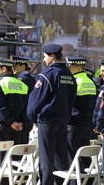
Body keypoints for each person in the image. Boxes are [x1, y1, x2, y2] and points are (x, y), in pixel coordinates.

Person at [27, 44, 77, 185]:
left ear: (52, 56)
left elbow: (35, 100)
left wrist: (33, 117)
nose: (43, 60)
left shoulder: (48, 75)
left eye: (44, 56)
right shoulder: (69, 75)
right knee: (61, 160)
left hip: (47, 122)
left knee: (46, 161)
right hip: (62, 122)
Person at [0, 58, 28, 166]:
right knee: (16, 159)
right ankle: (16, 182)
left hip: (3, 126)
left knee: (3, 161)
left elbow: (1, 107)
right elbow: (25, 107)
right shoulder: (22, 84)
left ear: (3, 69)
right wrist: (21, 122)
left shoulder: (0, 84)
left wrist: (11, 122)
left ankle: (4, 183)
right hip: (18, 126)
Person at [66, 56, 97, 168]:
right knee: (84, 156)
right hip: (86, 125)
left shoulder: (73, 82)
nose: (68, 68)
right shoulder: (91, 82)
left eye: (71, 66)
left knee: (73, 158)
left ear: (78, 67)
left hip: (73, 125)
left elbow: (67, 104)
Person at [11, 55, 36, 144]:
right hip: (27, 115)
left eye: (15, 66)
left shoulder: (23, 79)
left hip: (22, 116)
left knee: (19, 144)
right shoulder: (31, 78)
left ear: (22, 66)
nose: (13, 68)